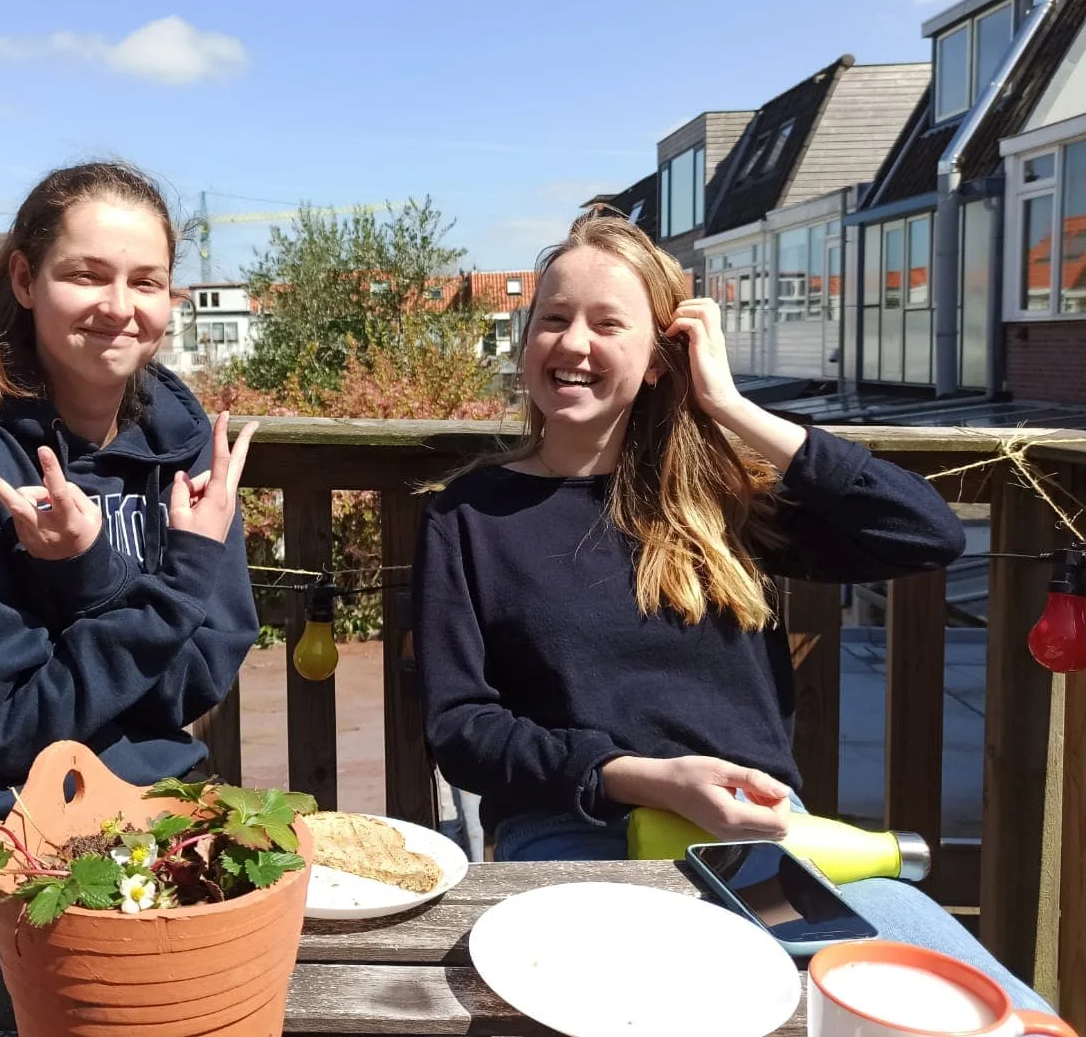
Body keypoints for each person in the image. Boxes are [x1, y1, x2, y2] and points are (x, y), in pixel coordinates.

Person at [413, 207, 1050, 1011]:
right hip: (575, 832)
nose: (574, 343)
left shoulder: (720, 502)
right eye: (554, 319)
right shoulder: (465, 516)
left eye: (609, 323)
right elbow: (463, 727)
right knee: (643, 1008)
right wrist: (639, 778)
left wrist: (732, 407)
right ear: (526, 338)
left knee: (994, 1014)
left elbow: (923, 532)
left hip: (760, 837)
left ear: (658, 360)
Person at [0, 162, 260, 1034]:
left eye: (145, 281)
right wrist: (166, 585)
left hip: (158, 812)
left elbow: (201, 674)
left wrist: (92, 578)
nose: (118, 306)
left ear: (170, 297)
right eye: (86, 273)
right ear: (25, 278)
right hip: (7, 842)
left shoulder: (186, 443)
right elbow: (14, 727)